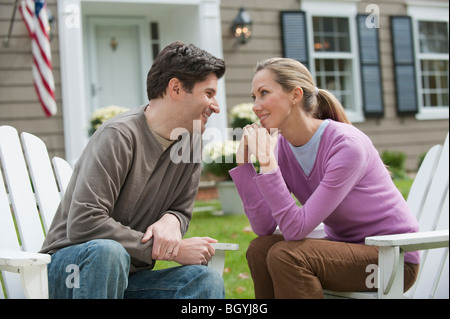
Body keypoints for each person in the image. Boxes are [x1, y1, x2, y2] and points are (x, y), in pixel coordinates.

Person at [40, 41, 226, 299]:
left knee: (204, 280)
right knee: (108, 253)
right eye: (208, 93)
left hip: (128, 278)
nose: (216, 105)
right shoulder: (119, 136)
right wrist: (173, 250)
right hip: (71, 272)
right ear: (175, 88)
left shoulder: (191, 143)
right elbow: (84, 223)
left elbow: (181, 211)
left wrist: (172, 219)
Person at [229, 57, 420, 299]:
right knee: (260, 250)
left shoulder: (346, 146)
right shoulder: (283, 149)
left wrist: (267, 161)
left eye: (264, 93)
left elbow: (295, 229)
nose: (256, 106)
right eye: (254, 96)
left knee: (287, 256)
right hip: (343, 250)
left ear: (295, 95)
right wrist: (245, 164)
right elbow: (263, 227)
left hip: (392, 259)